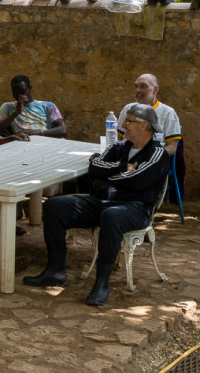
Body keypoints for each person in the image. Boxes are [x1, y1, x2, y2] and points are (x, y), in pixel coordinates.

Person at [22, 104, 172, 306]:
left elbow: (137, 181)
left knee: (112, 216)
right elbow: (94, 167)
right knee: (55, 206)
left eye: (129, 121)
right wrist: (122, 169)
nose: (124, 125)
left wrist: (109, 179)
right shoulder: (120, 147)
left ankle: (102, 283)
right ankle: (55, 271)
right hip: (104, 201)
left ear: (145, 126)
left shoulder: (157, 153)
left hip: (137, 207)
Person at [118, 73, 181, 149]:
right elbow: (118, 138)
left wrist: (154, 157)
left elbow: (172, 147)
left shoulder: (168, 113)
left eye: (143, 86)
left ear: (156, 89)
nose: (138, 90)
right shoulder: (128, 108)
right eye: (136, 86)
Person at [0, 75, 67, 139]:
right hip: (22, 143)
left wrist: (37, 133)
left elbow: (63, 130)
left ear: (30, 88)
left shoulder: (48, 106)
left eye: (22, 92)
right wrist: (16, 112)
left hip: (45, 141)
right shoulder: (7, 107)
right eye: (15, 92)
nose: (18, 96)